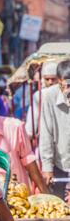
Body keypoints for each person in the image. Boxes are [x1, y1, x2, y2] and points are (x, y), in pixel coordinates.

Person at [39, 60, 70, 200]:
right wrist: (47, 166)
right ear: (59, 82)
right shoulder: (48, 96)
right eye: (67, 85)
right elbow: (46, 132)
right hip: (59, 162)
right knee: (58, 205)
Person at [25, 61, 58, 139]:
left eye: (53, 79)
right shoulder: (38, 96)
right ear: (43, 79)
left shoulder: (65, 95)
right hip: (44, 137)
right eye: (47, 79)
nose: (50, 82)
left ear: (59, 79)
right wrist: (29, 134)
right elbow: (32, 119)